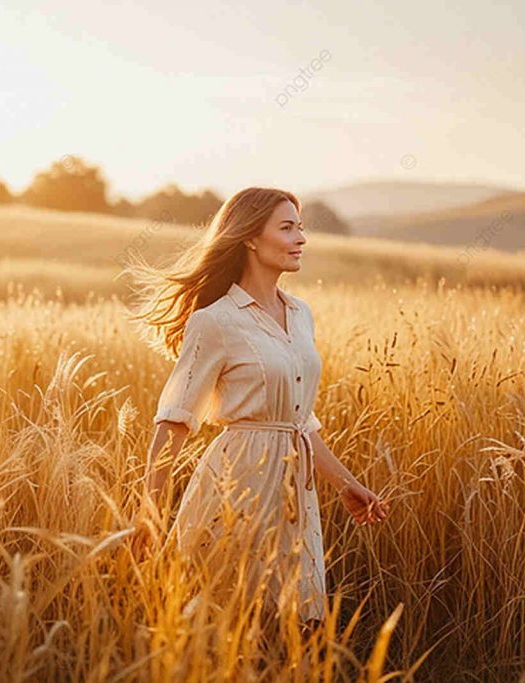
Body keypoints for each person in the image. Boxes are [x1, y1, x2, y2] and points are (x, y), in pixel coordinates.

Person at [123, 186, 389, 635]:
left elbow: (299, 421)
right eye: (286, 228)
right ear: (249, 237)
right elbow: (174, 421)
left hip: (297, 493)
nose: (300, 238)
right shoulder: (216, 320)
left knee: (295, 629)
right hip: (237, 485)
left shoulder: (301, 314)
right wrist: (149, 512)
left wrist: (347, 484)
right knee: (229, 621)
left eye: (300, 228)